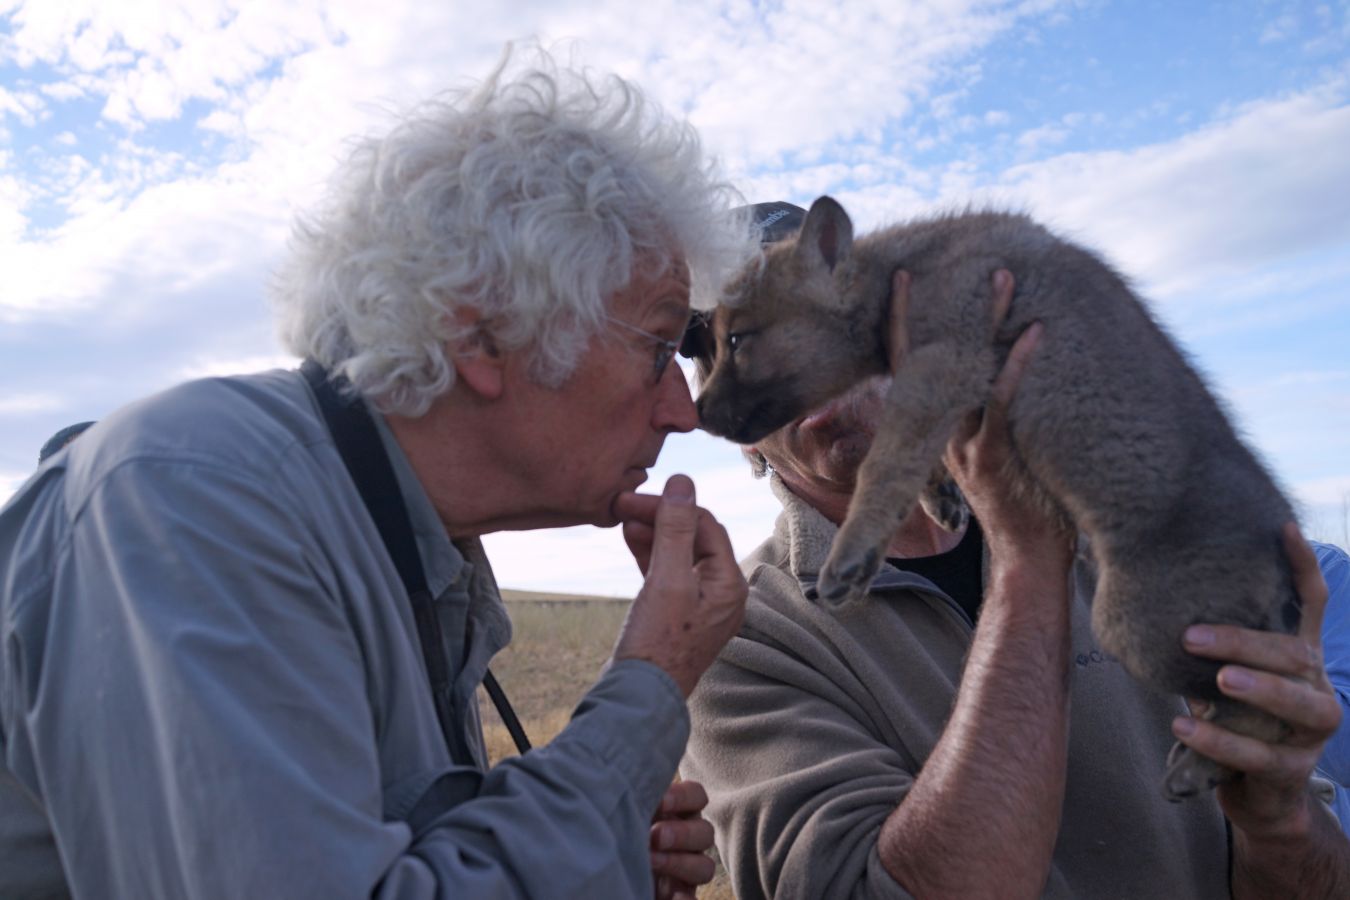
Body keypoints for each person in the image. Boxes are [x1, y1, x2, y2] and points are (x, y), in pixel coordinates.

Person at [0, 52, 754, 899]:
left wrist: (600, 845)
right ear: (480, 338)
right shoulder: (192, 503)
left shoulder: (402, 545)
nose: (684, 412)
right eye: (658, 348)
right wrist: (649, 682)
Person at [678, 201, 1350, 898]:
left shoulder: (1133, 523)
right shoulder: (736, 642)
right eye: (729, 351)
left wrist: (1281, 816)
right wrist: (1026, 560)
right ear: (740, 427)